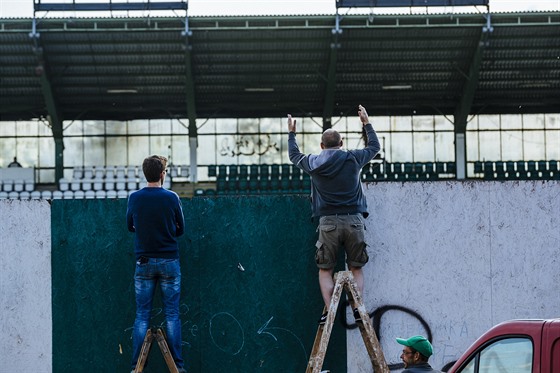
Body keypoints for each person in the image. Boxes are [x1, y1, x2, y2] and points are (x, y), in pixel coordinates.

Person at [287, 104, 380, 324]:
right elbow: (374, 147)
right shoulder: (353, 158)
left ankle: (330, 310)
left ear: (321, 145)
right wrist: (366, 123)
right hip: (354, 220)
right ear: (341, 143)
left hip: (328, 222)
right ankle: (358, 308)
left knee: (325, 270)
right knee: (355, 267)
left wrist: (292, 133)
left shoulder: (313, 162)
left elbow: (293, 155)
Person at [126, 155, 186, 373]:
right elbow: (181, 229)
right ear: (162, 174)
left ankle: (136, 367)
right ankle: (178, 366)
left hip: (144, 262)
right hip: (169, 260)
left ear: (145, 173)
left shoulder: (134, 198)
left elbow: (130, 226)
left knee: (142, 315)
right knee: (172, 314)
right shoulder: (172, 197)